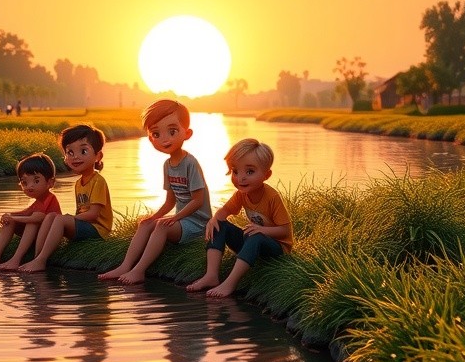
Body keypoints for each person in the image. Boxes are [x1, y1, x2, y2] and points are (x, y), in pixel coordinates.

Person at [99, 99, 211, 285]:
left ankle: (139, 270)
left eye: (172, 131)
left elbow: (198, 201)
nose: (165, 139)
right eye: (156, 134)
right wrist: (154, 216)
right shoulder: (168, 165)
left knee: (161, 226)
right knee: (147, 224)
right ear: (151, 138)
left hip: (198, 224)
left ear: (187, 133)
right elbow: (170, 201)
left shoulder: (190, 163)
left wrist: (174, 219)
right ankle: (125, 265)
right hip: (182, 221)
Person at [187, 138, 293, 298]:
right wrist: (214, 219)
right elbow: (225, 211)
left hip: (276, 249)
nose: (240, 178)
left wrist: (262, 230)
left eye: (249, 172)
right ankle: (211, 275)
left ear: (266, 175)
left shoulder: (272, 197)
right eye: (235, 171)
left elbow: (285, 231)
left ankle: (230, 284)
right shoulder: (241, 195)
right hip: (253, 242)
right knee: (219, 225)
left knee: (256, 236)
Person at [20, 123, 112, 273]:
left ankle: (41, 260)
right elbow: (80, 211)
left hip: (98, 230)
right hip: (84, 226)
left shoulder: (98, 181)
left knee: (60, 218)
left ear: (98, 155)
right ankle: (37, 257)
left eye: (83, 151)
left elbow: (93, 214)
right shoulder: (78, 184)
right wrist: (68, 220)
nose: (75, 157)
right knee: (51, 216)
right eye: (70, 152)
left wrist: (69, 219)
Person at [0, 153, 61, 269]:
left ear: (50, 183)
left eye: (36, 181)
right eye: (25, 182)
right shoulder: (38, 201)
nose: (30, 186)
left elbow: (37, 218)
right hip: (36, 234)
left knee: (31, 223)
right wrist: (10, 215)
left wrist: (14, 217)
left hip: (47, 235)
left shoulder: (50, 198)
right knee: (11, 221)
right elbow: (27, 212)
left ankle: (16, 259)